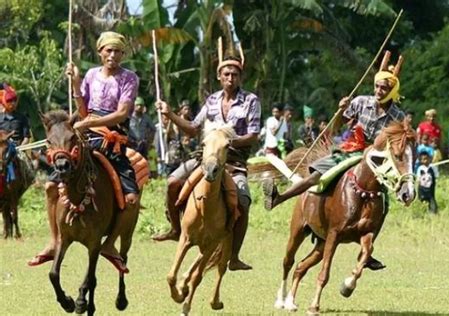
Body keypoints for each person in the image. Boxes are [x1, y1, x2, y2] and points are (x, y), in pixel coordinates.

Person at [263, 52, 406, 270]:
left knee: (383, 202)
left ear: (392, 91)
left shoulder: (397, 116)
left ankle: (367, 253)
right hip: (352, 151)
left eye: (385, 89)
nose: (379, 91)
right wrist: (340, 110)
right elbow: (335, 127)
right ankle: (278, 198)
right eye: (377, 87)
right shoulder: (360, 102)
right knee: (317, 176)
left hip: (377, 162)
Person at [28, 31, 140, 272]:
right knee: (50, 187)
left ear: (122, 54)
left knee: (132, 200)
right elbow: (82, 108)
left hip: (113, 143)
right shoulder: (91, 75)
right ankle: (54, 240)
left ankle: (109, 244)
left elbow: (122, 113)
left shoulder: (129, 78)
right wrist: (76, 83)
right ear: (100, 53)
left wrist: (89, 122)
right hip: (88, 140)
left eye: (117, 51)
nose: (112, 55)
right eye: (108, 50)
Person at [153, 55, 261, 271]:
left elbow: (254, 134)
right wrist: (170, 114)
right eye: (226, 74)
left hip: (233, 161)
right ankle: (175, 229)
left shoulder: (251, 100)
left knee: (243, 199)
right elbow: (193, 128)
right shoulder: (211, 100)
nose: (230, 78)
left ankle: (234, 256)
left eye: (235, 74)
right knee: (173, 181)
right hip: (205, 158)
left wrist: (225, 139)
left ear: (240, 77)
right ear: (219, 77)